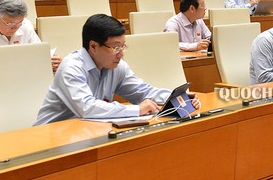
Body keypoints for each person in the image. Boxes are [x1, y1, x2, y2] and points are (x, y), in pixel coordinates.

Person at [34, 14, 199, 125]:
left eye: (123, 46)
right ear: (93, 45)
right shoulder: (72, 67)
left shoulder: (116, 66)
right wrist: (137, 109)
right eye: (115, 47)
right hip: (49, 137)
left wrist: (177, 97)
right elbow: (87, 108)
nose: (121, 54)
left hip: (85, 131)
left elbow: (142, 91)